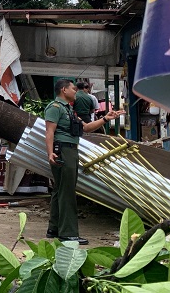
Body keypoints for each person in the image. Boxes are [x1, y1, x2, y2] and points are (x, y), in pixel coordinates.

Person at [45, 79, 124, 245]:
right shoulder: (55, 108)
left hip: (70, 149)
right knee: (67, 192)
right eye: (73, 89)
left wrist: (106, 119)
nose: (76, 92)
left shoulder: (70, 110)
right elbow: (49, 132)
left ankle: (54, 228)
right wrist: (50, 153)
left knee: (60, 190)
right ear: (64, 90)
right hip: (63, 150)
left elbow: (86, 128)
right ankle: (68, 234)